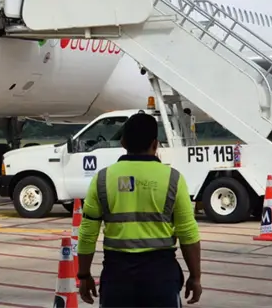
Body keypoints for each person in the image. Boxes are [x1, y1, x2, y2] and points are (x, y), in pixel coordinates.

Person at [77, 113, 202, 307]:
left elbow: (87, 234)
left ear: (123, 142)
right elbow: (188, 232)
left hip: (117, 276)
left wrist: (84, 275)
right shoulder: (173, 179)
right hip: (161, 276)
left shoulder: (102, 179)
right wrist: (195, 277)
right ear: (155, 144)